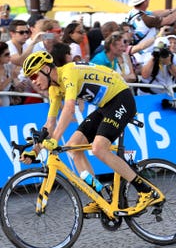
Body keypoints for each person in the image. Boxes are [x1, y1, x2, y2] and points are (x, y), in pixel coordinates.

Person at [20, 51, 162, 216]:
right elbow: (50, 123)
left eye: (34, 75)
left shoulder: (67, 73)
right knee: (73, 147)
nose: (34, 82)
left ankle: (146, 191)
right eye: (30, 79)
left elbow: (69, 108)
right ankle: (99, 197)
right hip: (105, 106)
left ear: (45, 68)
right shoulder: (54, 89)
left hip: (121, 98)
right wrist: (35, 150)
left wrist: (56, 139)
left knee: (98, 148)